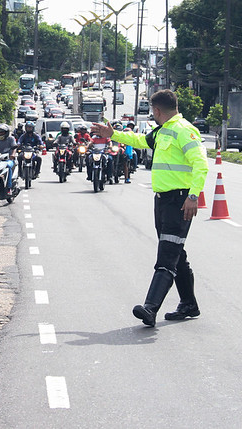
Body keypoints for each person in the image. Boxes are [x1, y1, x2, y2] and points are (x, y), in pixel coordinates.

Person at [91, 89, 208, 326]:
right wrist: (113, 134)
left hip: (180, 201)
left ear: (156, 110)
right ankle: (189, 304)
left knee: (167, 257)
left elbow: (201, 164)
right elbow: (139, 141)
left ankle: (150, 308)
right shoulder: (163, 131)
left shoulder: (183, 131)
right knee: (176, 253)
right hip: (163, 201)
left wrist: (193, 196)